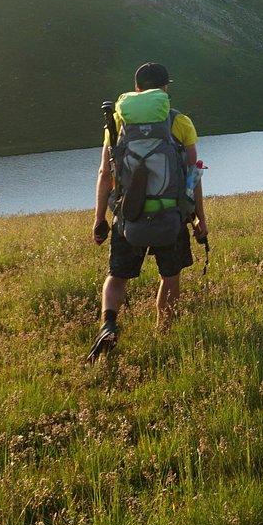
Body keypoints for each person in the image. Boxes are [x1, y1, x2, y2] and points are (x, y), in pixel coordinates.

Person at [89, 62, 208, 359]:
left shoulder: (116, 122)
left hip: (128, 216)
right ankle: (162, 335)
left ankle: (109, 324)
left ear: (136, 88)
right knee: (169, 276)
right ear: (165, 88)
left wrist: (99, 218)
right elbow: (193, 173)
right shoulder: (180, 122)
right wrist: (198, 219)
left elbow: (105, 173)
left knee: (117, 275)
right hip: (171, 216)